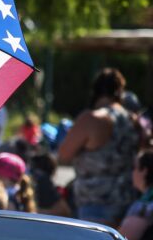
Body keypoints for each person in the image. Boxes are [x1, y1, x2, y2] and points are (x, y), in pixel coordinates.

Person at [58, 68, 140, 225]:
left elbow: (63, 155)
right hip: (127, 204)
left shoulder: (93, 119)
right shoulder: (133, 121)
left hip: (95, 205)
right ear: (120, 92)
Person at [118, 151, 153, 240]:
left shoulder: (146, 202)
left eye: (134, 168)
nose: (132, 173)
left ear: (144, 171)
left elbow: (126, 237)